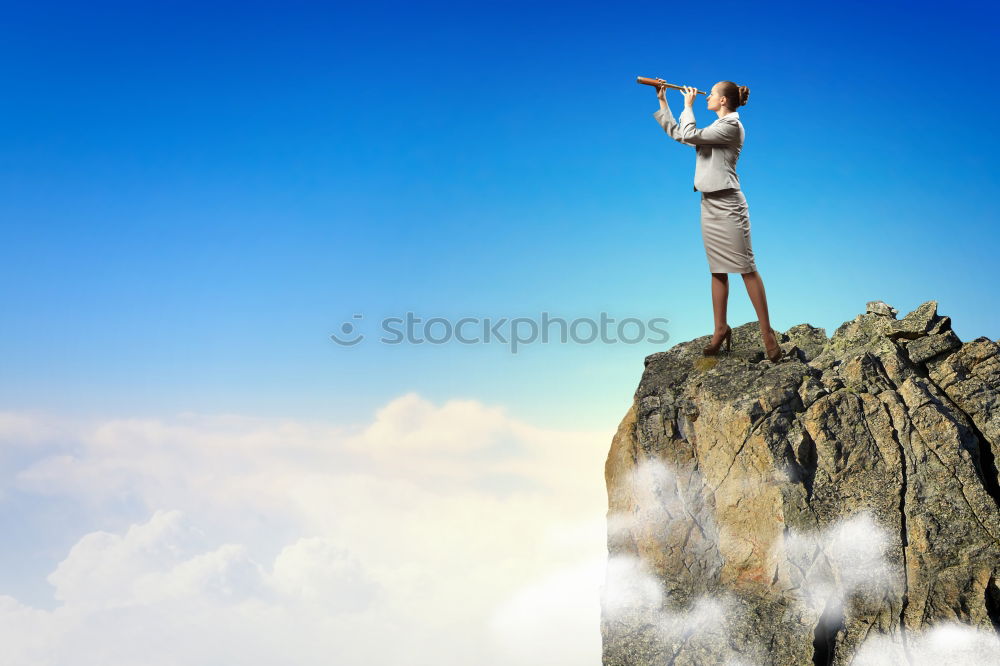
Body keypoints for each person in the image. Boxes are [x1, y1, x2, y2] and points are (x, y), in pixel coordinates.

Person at [652, 80, 782, 362]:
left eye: (711, 94)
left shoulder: (731, 126)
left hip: (729, 205)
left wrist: (687, 106)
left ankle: (767, 332)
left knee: (746, 268)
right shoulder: (715, 127)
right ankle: (720, 329)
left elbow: (690, 133)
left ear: (723, 101)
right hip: (708, 204)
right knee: (717, 270)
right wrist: (664, 101)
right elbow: (680, 134)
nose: (706, 96)